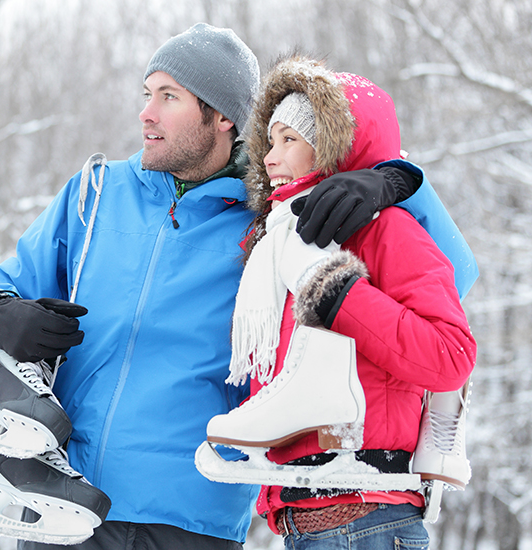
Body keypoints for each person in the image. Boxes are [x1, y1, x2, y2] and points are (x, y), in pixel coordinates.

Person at [0, 25, 478, 549]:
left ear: (222, 116)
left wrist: (397, 183)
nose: (146, 113)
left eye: (169, 97)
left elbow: (449, 274)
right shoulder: (95, 194)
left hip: (193, 516)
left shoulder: (273, 218)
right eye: (146, 94)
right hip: (63, 507)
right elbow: (0, 292)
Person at [205, 54, 477, 548]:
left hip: (369, 519)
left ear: (332, 148)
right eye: (270, 140)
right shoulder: (277, 247)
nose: (269, 158)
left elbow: (450, 356)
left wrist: (339, 294)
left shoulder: (389, 229)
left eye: (290, 140)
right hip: (304, 523)